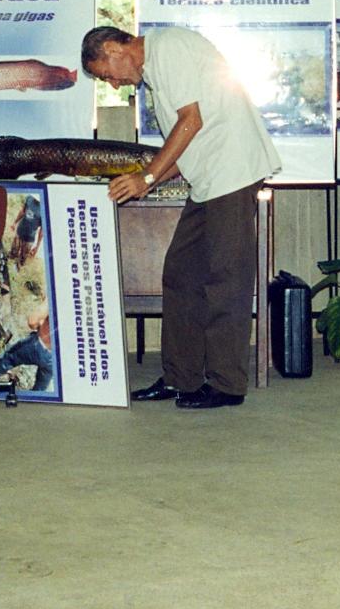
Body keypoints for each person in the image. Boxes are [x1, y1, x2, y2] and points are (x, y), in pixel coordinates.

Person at [81, 25, 281, 410]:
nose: (114, 84)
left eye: (107, 75)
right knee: (181, 273)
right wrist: (149, 181)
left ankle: (226, 384)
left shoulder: (168, 47)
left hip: (232, 171)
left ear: (113, 49)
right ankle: (181, 378)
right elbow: (184, 144)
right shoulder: (157, 73)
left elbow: (191, 121)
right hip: (210, 179)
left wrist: (146, 177)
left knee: (226, 279)